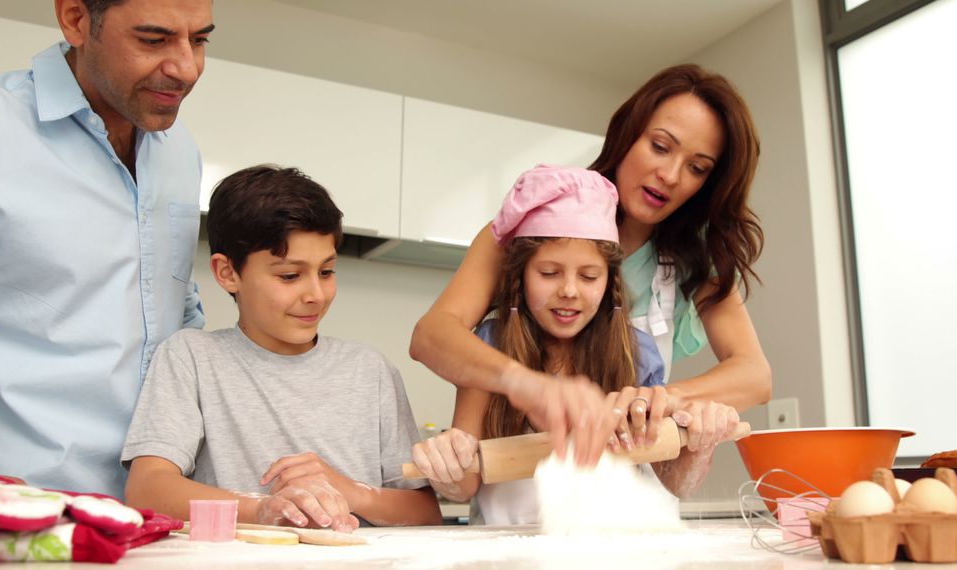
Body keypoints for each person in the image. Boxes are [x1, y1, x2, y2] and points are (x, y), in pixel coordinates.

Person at [409, 64, 772, 466]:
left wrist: (661, 398)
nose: (670, 175)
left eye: (697, 168)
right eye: (660, 146)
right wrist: (529, 386)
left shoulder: (694, 258)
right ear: (628, 134)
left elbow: (755, 376)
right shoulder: (534, 219)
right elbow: (431, 336)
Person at [0, 0, 215, 497]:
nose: (185, 67)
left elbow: (178, 322)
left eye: (200, 39)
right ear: (76, 20)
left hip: (146, 516)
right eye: (153, 40)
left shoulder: (179, 152)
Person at [410, 165, 743, 524]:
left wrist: (700, 444)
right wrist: (448, 463)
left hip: (608, 547)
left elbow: (674, 481)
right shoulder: (489, 348)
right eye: (548, 273)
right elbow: (466, 481)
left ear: (610, 282)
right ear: (519, 279)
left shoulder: (637, 352)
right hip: (508, 552)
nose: (568, 291)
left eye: (589, 276)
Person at [121, 165, 442, 531]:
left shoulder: (371, 371)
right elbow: (147, 488)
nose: (315, 295)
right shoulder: (192, 358)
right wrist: (263, 510)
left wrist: (350, 491)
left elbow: (425, 513)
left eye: (326, 271)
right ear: (227, 273)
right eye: (290, 276)